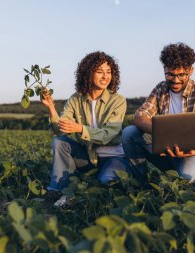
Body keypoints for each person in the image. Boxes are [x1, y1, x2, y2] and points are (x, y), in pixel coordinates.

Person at [122, 43, 195, 182]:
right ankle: (140, 183)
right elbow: (139, 116)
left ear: (190, 70)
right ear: (164, 69)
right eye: (170, 75)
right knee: (129, 133)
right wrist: (162, 133)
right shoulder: (161, 88)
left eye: (181, 75)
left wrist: (186, 151)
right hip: (167, 152)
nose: (175, 80)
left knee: (186, 177)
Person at [41, 51, 131, 194]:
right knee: (60, 141)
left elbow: (108, 135)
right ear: (88, 73)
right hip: (88, 157)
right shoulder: (76, 99)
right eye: (100, 72)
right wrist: (51, 108)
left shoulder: (118, 100)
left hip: (113, 157)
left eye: (109, 72)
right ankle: (57, 190)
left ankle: (89, 182)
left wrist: (80, 128)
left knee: (105, 183)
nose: (105, 76)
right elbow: (60, 130)